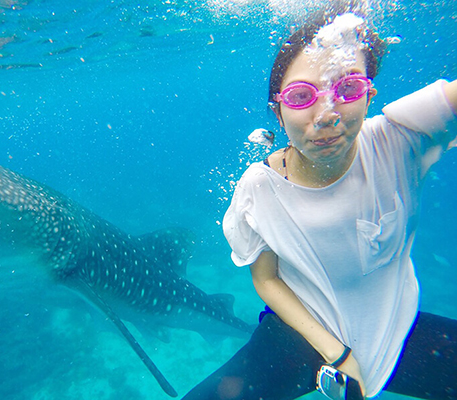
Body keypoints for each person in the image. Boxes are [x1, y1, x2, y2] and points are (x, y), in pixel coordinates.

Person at [183, 5, 457, 400]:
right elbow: (266, 278)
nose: (326, 115)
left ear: (369, 95)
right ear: (277, 112)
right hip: (299, 330)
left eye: (347, 89)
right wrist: (338, 353)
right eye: (301, 96)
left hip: (394, 326)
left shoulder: (401, 139)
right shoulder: (258, 188)